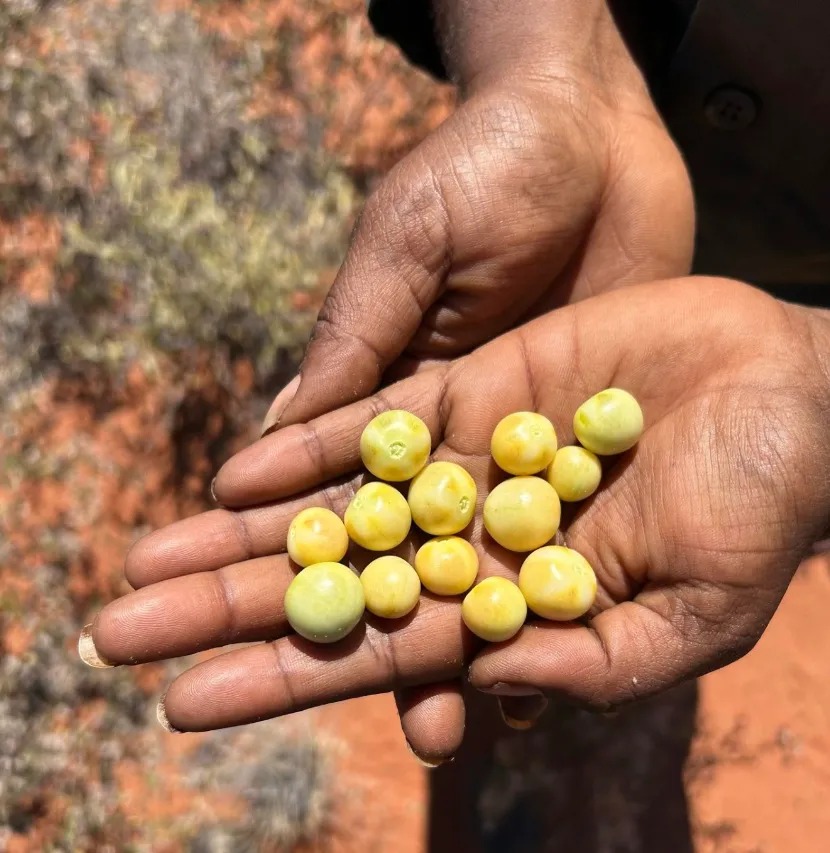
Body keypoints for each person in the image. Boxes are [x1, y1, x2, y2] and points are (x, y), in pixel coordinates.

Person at [79, 0, 830, 848]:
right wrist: (552, 56)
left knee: (532, 661)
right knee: (511, 674)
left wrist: (820, 383)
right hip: (636, 174)